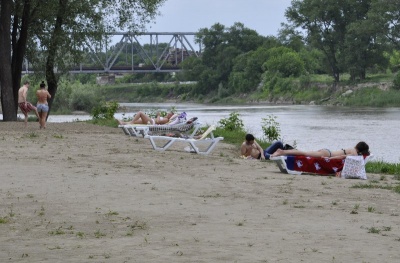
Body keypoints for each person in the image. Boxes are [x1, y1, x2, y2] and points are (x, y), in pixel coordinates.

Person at [271, 141, 370, 159]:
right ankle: (282, 151)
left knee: (305, 153)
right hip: (328, 154)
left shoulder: (352, 149)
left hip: (327, 152)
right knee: (304, 153)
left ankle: (285, 151)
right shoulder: (353, 151)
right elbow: (346, 157)